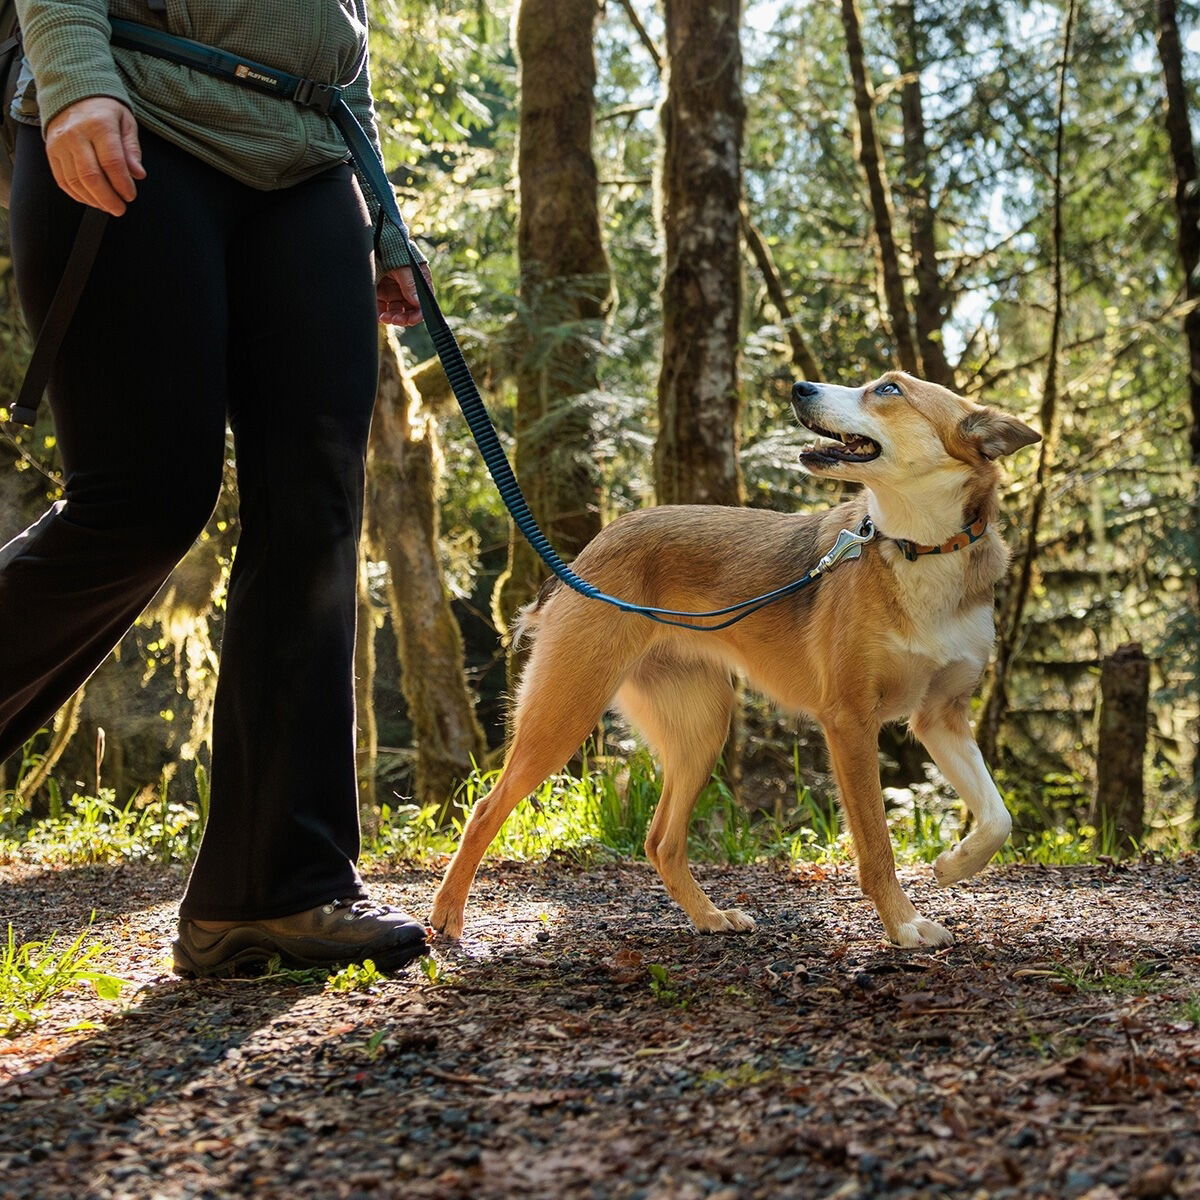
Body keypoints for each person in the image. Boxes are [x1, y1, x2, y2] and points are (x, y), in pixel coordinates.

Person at [1, 0, 433, 976]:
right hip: (136, 110)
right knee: (144, 501)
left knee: (317, 508)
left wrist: (386, 222)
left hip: (312, 157)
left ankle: (278, 886)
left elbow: (339, 33)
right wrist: (71, 75)